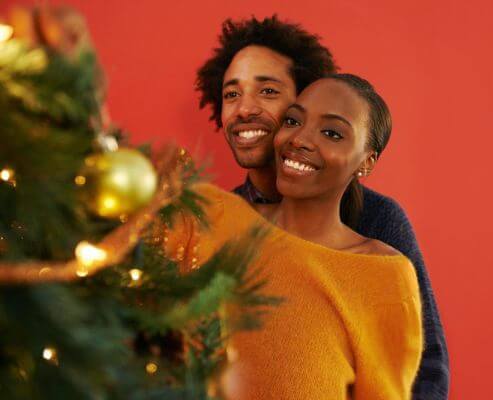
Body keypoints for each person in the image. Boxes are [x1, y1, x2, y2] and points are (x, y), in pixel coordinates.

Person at [196, 16, 449, 399]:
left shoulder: (376, 226)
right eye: (231, 94)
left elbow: (424, 368)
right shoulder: (218, 221)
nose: (245, 109)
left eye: (267, 91)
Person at [169, 74, 422, 399]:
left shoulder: (384, 276)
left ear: (367, 161)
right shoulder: (208, 214)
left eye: (332, 133)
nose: (299, 139)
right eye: (293, 120)